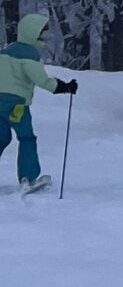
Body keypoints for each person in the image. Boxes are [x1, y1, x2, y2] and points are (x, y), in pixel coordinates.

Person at [1, 13, 78, 195]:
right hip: (15, 105)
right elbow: (41, 80)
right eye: (43, 32)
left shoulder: (5, 51)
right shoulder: (28, 54)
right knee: (26, 138)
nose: (45, 36)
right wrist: (64, 87)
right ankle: (27, 178)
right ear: (33, 33)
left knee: (2, 138)